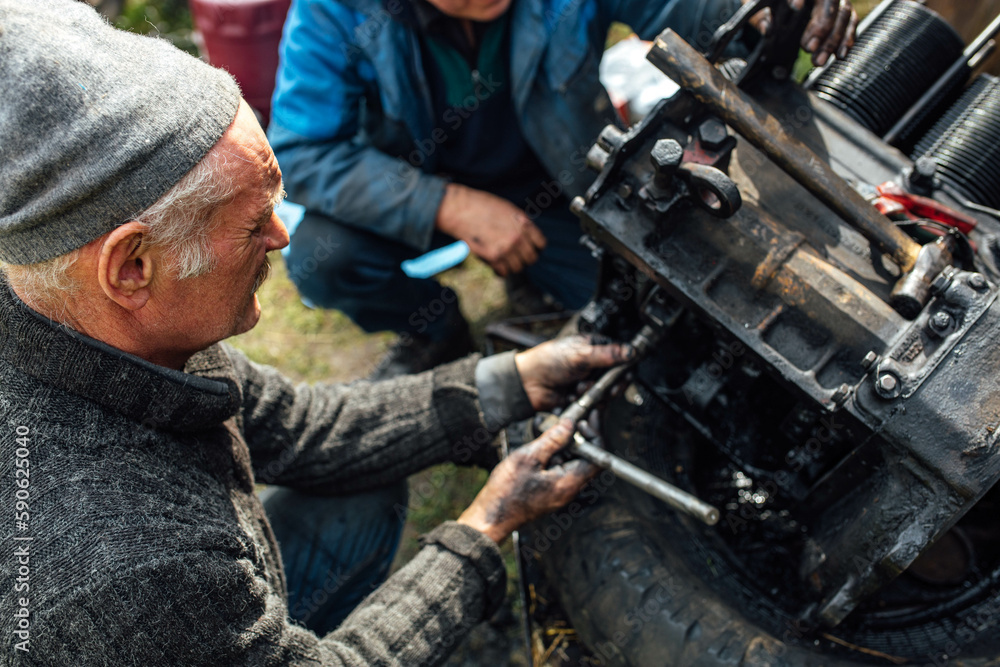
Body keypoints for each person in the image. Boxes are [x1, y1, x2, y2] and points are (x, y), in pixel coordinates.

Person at [0, 2, 632, 663]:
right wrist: (482, 529)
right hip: (171, 613)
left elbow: (300, 425)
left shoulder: (106, 324)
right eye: (253, 226)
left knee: (361, 488)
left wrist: (508, 382)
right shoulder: (123, 567)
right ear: (130, 267)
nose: (284, 236)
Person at [268, 0, 857, 377]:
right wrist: (445, 205)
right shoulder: (332, 11)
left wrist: (758, 10)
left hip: (553, 182)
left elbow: (687, 6)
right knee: (327, 259)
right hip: (413, 186)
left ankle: (534, 274)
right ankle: (434, 331)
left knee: (653, 315)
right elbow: (302, 149)